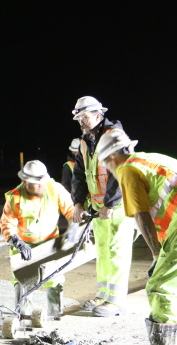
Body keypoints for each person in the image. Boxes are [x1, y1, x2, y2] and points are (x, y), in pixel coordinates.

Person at [97, 129, 177, 345]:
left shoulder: (127, 169)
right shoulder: (151, 159)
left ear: (110, 158)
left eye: (107, 166)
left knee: (161, 289)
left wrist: (157, 255)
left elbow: (141, 215)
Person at [70, 96, 136, 317]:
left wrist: (110, 203)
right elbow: (79, 174)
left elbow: (122, 172)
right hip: (99, 209)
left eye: (84, 117)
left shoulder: (114, 137)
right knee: (103, 252)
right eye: (78, 117)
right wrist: (78, 203)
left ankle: (116, 302)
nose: (81, 121)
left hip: (117, 208)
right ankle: (103, 295)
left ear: (98, 115)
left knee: (117, 252)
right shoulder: (85, 141)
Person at [0, 160, 75, 316]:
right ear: (25, 182)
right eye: (36, 183)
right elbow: (7, 224)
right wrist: (18, 244)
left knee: (54, 278)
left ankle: (55, 314)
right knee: (23, 280)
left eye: (42, 182)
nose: (41, 186)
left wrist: (72, 229)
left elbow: (71, 212)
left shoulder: (55, 189)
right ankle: (23, 315)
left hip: (49, 244)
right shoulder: (15, 197)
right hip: (24, 246)